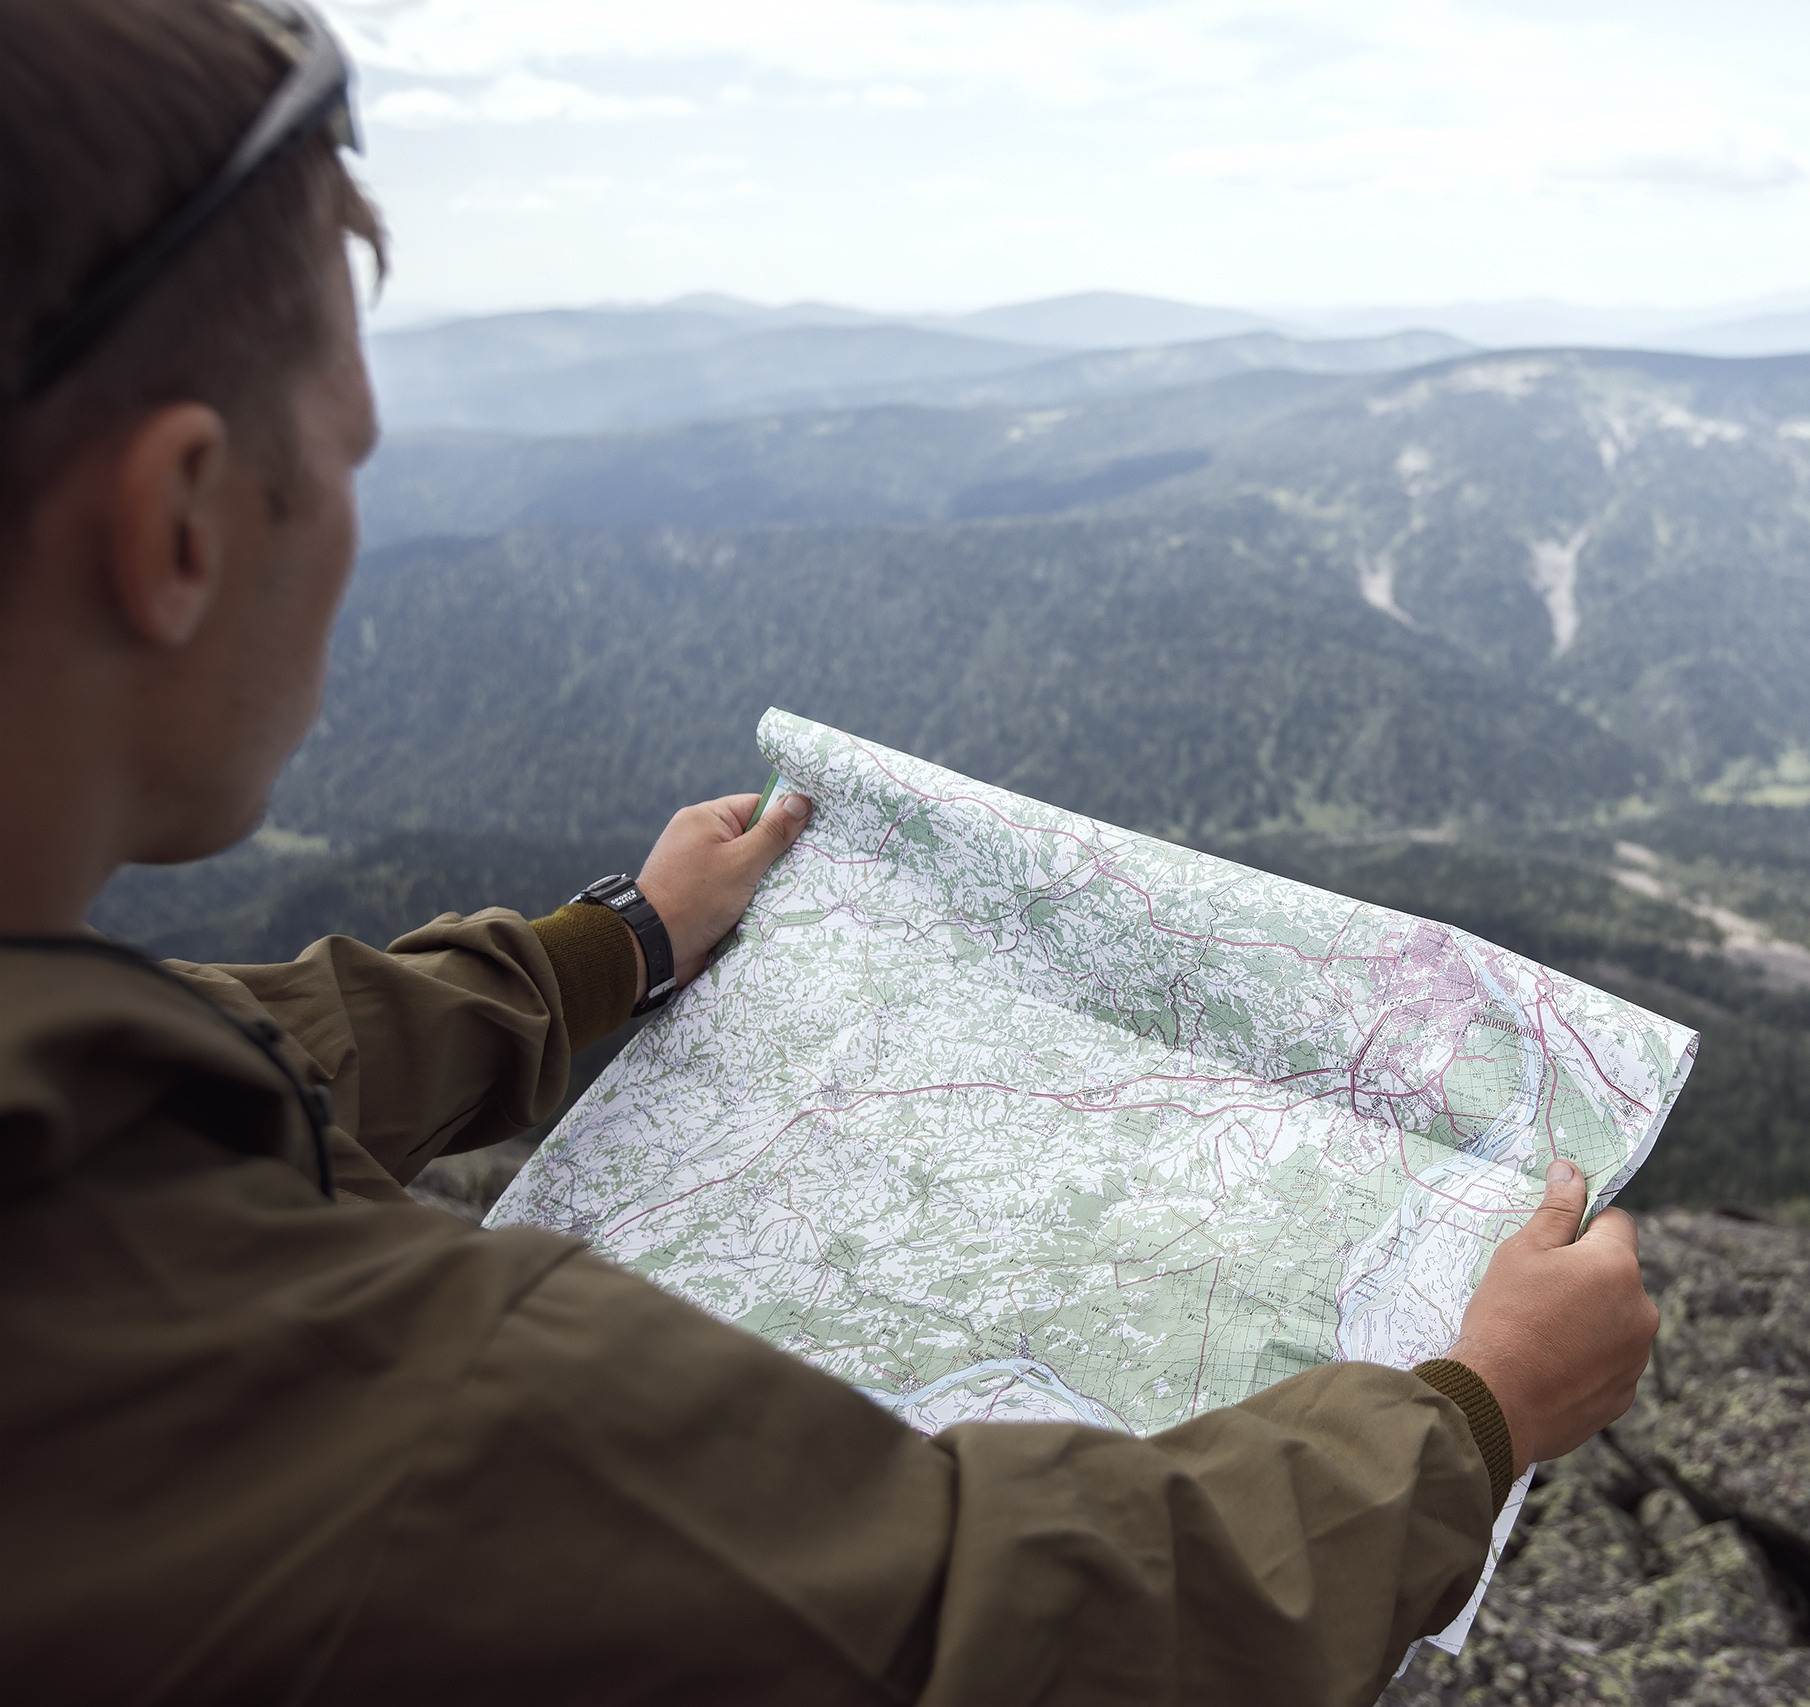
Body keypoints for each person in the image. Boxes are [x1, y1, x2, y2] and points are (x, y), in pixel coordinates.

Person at [0, 2, 1662, 1701]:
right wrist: (1474, 1419)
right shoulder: (398, 1408)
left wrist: (618, 944)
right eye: (347, 455)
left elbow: (222, 1057)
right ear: (178, 527)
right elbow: (980, 1626)